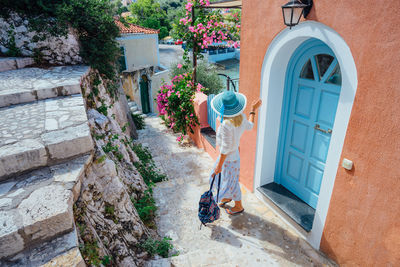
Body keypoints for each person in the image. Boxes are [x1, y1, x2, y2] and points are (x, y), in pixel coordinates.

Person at [210, 90, 262, 215]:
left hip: (227, 159)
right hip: (234, 158)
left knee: (229, 181)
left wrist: (219, 165)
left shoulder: (225, 125)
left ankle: (238, 206)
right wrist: (253, 109)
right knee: (227, 180)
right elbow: (250, 125)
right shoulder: (241, 117)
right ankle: (227, 197)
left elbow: (225, 149)